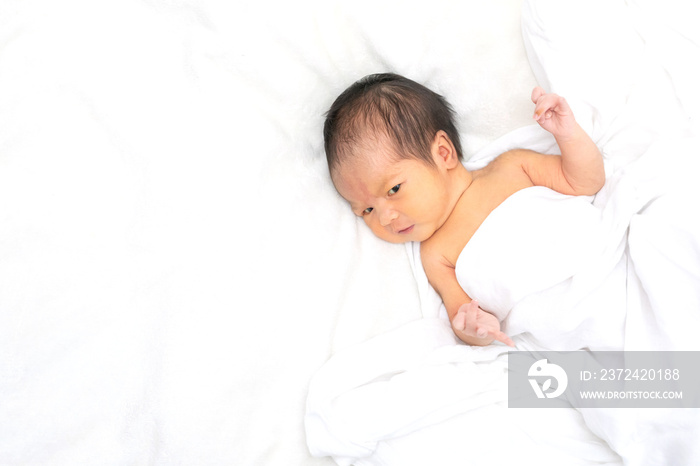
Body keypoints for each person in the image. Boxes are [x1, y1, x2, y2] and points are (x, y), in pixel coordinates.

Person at [324, 73, 605, 347]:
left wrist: (568, 135)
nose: (385, 218)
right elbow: (462, 313)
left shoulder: (512, 167)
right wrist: (476, 328)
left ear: (443, 154)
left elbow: (586, 182)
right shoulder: (435, 254)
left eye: (394, 189)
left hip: (600, 270)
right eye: (367, 210)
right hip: (554, 326)